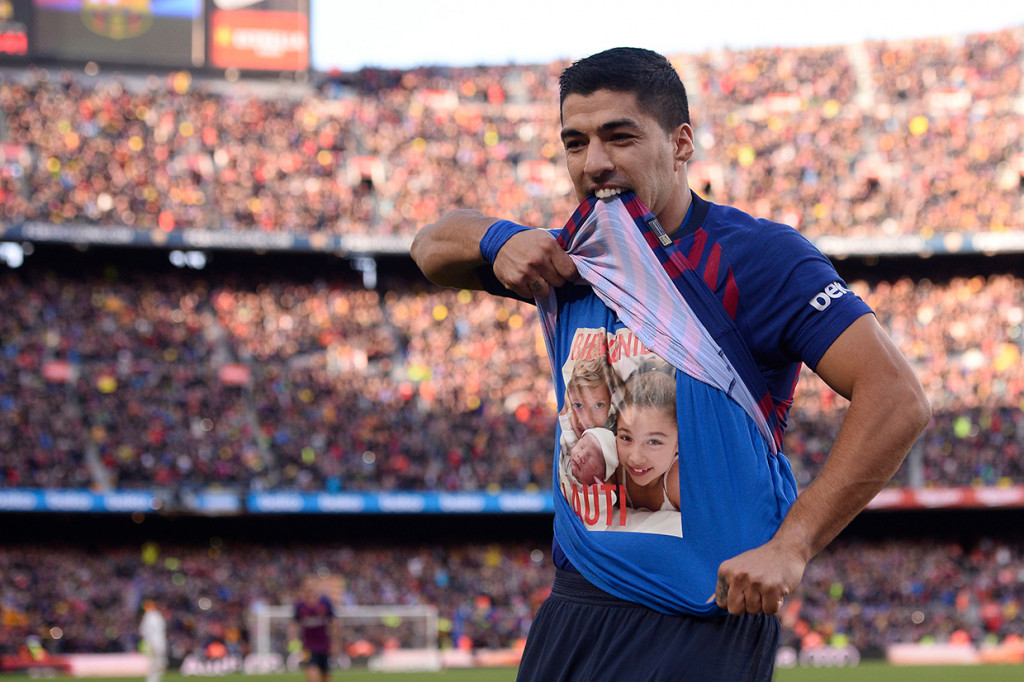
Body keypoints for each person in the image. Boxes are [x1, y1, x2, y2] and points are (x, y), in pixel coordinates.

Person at [410, 46, 930, 681]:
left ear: (682, 143)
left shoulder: (760, 257)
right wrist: (499, 238)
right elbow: (430, 246)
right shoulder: (570, 258)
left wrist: (792, 547)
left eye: (619, 137)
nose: (594, 162)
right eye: (575, 143)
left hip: (702, 620)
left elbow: (897, 395)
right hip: (575, 610)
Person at [290, 579, 337, 682]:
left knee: (325, 676)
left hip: (324, 645)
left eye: (312, 585)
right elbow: (294, 624)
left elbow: (333, 623)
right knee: (312, 675)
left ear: (316, 587)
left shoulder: (325, 603)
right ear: (304, 588)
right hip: (308, 646)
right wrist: (293, 639)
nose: (310, 588)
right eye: (307, 586)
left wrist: (335, 643)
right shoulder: (300, 605)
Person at [139, 600, 167, 682]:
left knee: (154, 663)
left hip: (152, 642)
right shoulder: (158, 616)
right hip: (160, 642)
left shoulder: (148, 616)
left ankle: (152, 679)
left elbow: (143, 631)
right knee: (159, 662)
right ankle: (155, 679)